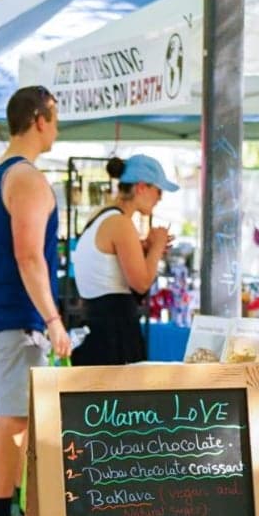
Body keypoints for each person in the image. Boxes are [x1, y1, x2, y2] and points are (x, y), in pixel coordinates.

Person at [0, 85, 70, 516]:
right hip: (16, 316)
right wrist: (53, 319)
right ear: (38, 119)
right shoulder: (26, 178)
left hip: (0, 312)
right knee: (12, 420)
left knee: (19, 421)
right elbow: (29, 257)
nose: (57, 126)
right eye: (55, 117)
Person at [70, 155, 174, 367]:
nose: (160, 198)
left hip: (96, 328)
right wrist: (156, 247)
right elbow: (141, 282)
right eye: (158, 191)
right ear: (142, 187)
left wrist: (145, 249)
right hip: (115, 334)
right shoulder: (120, 224)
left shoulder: (100, 219)